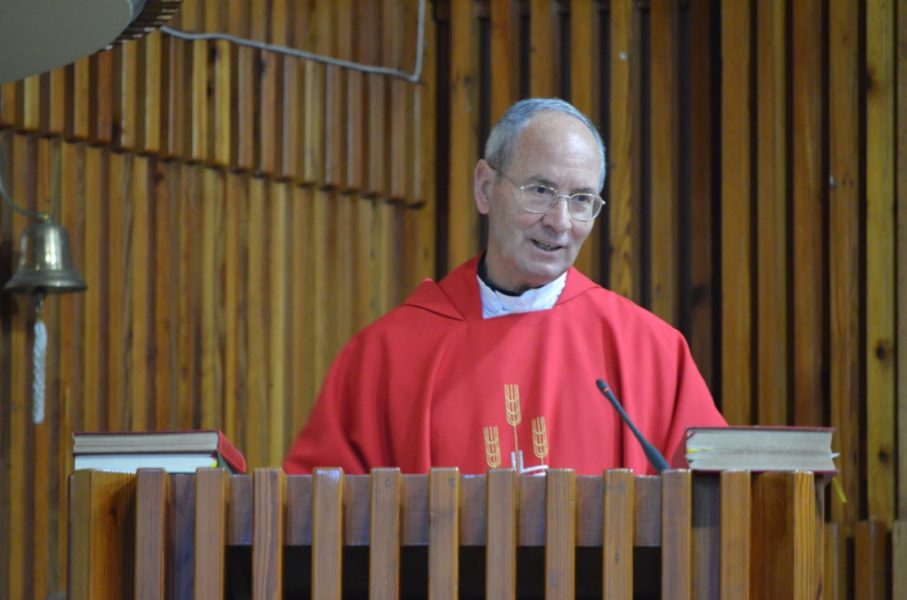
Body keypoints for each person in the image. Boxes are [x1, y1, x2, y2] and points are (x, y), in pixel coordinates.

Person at [284, 98, 726, 476]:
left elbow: (712, 507)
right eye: (540, 190)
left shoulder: (649, 352)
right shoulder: (388, 354)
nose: (560, 222)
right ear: (485, 188)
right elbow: (317, 515)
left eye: (582, 200)